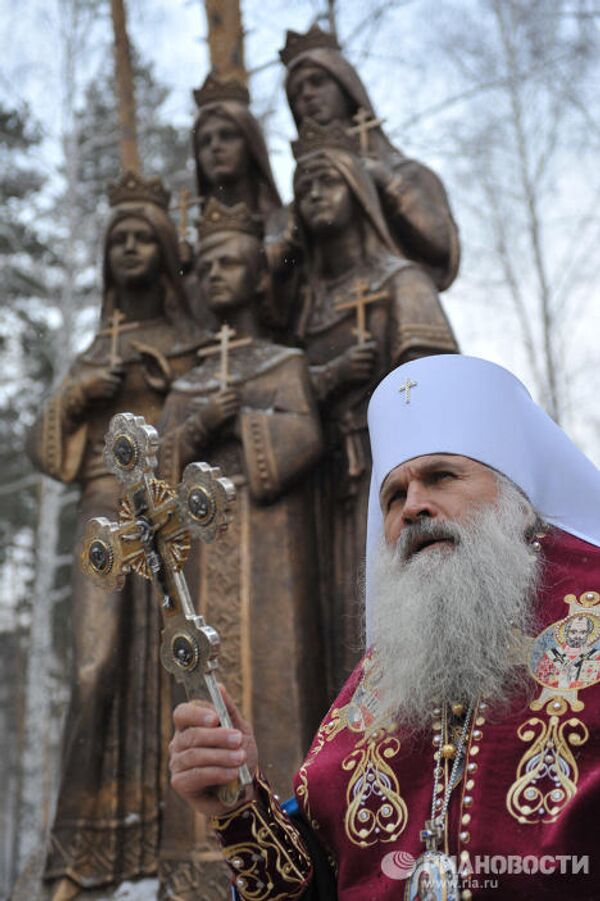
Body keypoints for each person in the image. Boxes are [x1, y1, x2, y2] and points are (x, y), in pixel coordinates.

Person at [169, 354, 600, 900]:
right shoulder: (387, 676)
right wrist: (239, 805)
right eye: (394, 496)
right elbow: (316, 886)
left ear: (515, 495)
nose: (414, 507)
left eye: (442, 476)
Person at [27, 171, 205, 900]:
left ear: (163, 250)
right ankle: (79, 854)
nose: (129, 249)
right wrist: (77, 395)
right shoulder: (97, 343)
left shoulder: (192, 337)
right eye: (118, 240)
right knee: (95, 669)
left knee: (173, 670)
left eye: (142, 238)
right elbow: (49, 453)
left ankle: (174, 848)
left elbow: (207, 415)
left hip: (169, 515)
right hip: (103, 511)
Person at [157, 197, 327, 897]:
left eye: (233, 262)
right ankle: (197, 861)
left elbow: (304, 437)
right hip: (197, 561)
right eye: (207, 265)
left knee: (277, 674)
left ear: (261, 275)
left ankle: (287, 846)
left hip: (271, 543)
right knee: (199, 700)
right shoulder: (186, 379)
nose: (217, 275)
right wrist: (197, 428)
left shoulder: (285, 361)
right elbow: (154, 472)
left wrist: (246, 420)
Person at [289, 118, 457, 693]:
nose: (312, 194)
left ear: (357, 191)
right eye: (302, 185)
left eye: (326, 181)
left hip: (388, 479)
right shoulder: (304, 309)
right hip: (317, 482)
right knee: (322, 618)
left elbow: (436, 392)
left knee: (376, 610)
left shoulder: (401, 280)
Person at [280, 24, 460, 292]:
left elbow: (442, 247)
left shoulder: (408, 173)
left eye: (318, 81)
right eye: (296, 93)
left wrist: (388, 184)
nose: (306, 94)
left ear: (346, 86)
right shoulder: (306, 198)